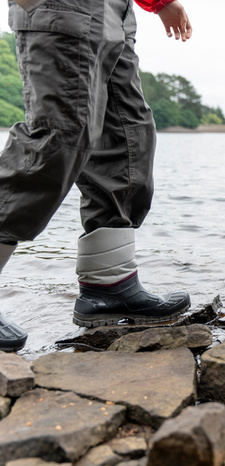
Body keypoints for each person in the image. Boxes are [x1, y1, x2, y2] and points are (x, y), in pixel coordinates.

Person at [0, 0, 194, 352]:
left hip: (114, 12)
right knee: (59, 136)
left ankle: (110, 285)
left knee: (127, 138)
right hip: (62, 6)